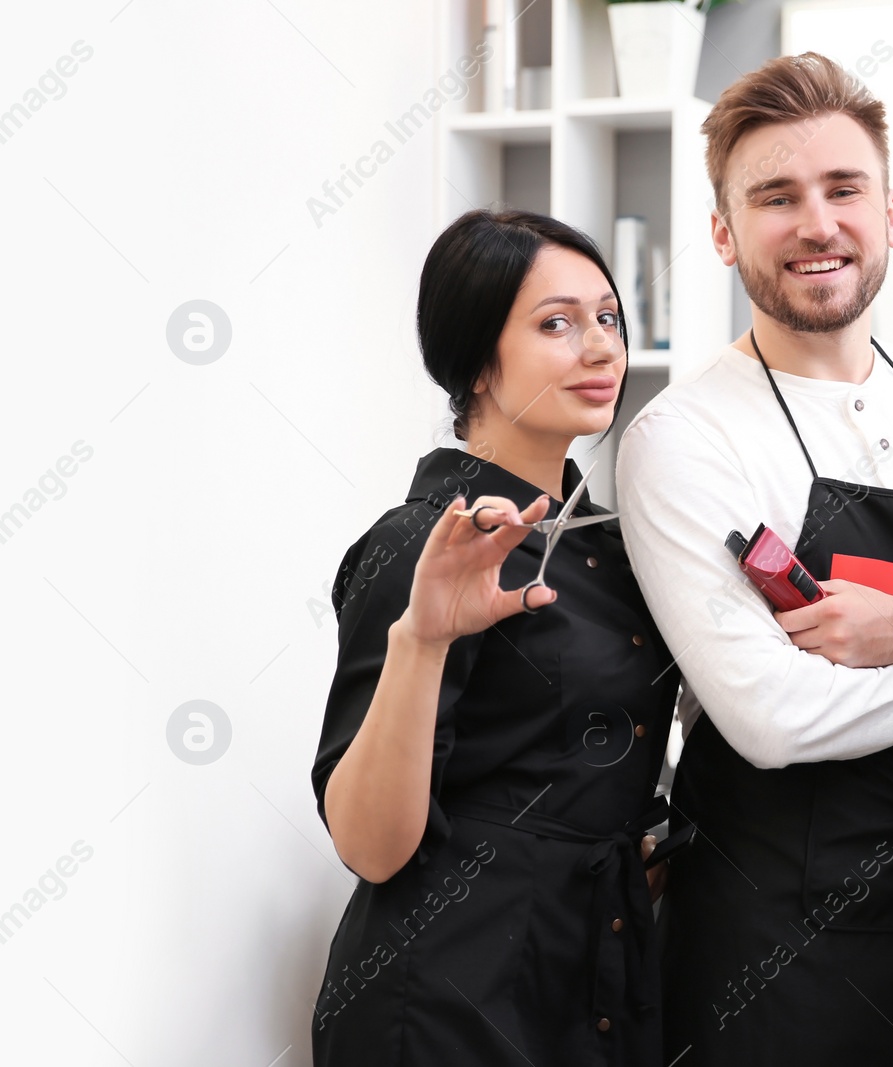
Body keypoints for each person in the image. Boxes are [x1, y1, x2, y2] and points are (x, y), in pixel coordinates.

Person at [615, 53, 893, 1065]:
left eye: (842, 189)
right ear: (724, 232)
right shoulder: (682, 438)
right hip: (773, 958)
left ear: (890, 212)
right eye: (776, 196)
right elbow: (775, 718)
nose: (816, 223)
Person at [309, 209, 679, 1066]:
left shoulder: (616, 546)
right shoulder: (419, 544)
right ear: (477, 358)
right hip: (447, 996)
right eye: (557, 323)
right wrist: (423, 640)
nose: (599, 347)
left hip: (595, 978)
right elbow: (368, 842)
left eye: (607, 318)